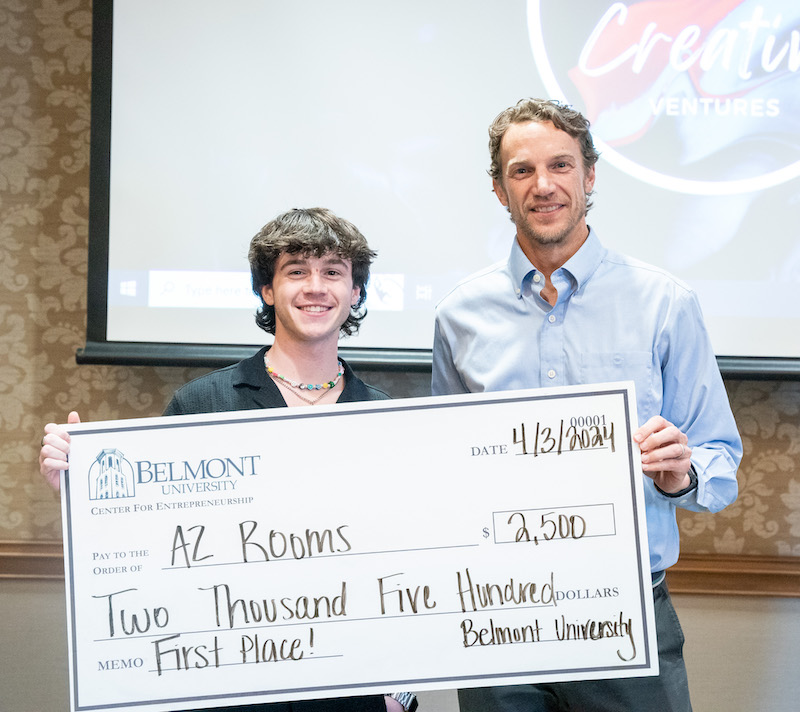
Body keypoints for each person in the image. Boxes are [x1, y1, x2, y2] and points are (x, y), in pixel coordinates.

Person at [40, 207, 417, 712]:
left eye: (333, 271)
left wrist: (400, 693)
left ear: (355, 292)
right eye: (296, 271)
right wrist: (79, 492)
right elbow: (155, 547)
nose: (316, 286)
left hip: (349, 687)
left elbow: (415, 559)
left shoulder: (387, 419)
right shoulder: (201, 405)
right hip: (227, 685)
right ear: (267, 289)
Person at [432, 99, 742, 712]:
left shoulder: (665, 304)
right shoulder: (458, 315)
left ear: (590, 176)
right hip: (500, 612)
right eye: (521, 171)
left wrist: (683, 474)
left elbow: (720, 457)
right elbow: (449, 468)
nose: (542, 186)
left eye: (561, 166)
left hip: (627, 609)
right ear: (499, 189)